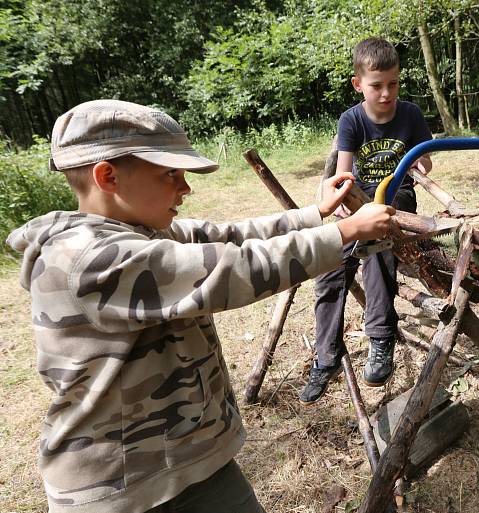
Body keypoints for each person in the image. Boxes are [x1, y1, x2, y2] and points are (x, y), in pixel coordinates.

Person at [5, 99, 394, 513]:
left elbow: (229, 236)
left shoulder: (142, 232)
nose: (185, 188)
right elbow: (230, 269)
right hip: (118, 488)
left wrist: (315, 214)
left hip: (193, 461)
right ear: (108, 176)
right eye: (170, 174)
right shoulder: (88, 259)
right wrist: (345, 232)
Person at [299, 37, 433, 405]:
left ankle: (380, 336)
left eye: (393, 84)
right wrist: (344, 202)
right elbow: (344, 173)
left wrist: (421, 162)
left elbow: (427, 160)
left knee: (378, 247)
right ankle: (326, 357)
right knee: (329, 263)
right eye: (377, 86)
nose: (386, 93)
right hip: (361, 199)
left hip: (396, 198)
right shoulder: (352, 120)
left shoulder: (410, 115)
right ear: (359, 84)